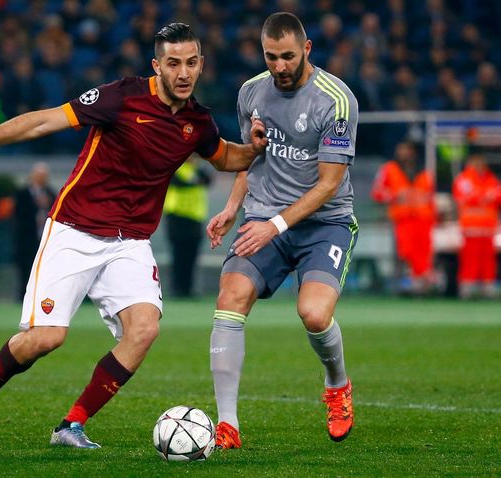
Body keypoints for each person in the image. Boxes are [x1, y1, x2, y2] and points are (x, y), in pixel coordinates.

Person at [0, 23, 266, 448]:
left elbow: (225, 158)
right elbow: (44, 122)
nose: (183, 73)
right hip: (74, 229)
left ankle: (71, 425)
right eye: (173, 63)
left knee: (144, 330)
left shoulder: (197, 122)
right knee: (46, 339)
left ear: (201, 64)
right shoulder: (120, 97)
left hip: (129, 242)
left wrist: (256, 148)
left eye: (191, 63)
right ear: (157, 66)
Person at [206, 12, 359, 448]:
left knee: (313, 313)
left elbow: (329, 184)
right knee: (229, 299)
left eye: (288, 56)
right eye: (271, 57)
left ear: (306, 50)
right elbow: (249, 158)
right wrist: (233, 208)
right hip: (263, 217)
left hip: (323, 223)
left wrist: (274, 225)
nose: (280, 66)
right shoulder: (251, 93)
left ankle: (337, 385)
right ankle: (227, 424)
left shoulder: (336, 101)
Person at [371, 141, 436, 294]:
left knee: (423, 254)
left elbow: (430, 198)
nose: (403, 154)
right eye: (401, 150)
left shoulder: (424, 172)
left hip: (423, 219)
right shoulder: (389, 169)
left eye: (406, 150)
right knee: (405, 253)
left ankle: (423, 286)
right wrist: (394, 196)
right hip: (403, 219)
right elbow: (377, 193)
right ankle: (404, 285)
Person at [452, 151, 501, 299]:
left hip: (487, 227)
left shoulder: (490, 179)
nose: (478, 166)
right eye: (475, 162)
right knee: (470, 258)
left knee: (488, 260)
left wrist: (483, 196)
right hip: (471, 227)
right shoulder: (464, 179)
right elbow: (465, 197)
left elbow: (497, 196)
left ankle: (488, 287)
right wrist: (484, 196)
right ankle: (467, 287)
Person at [163, 155, 212, 297]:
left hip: (194, 217)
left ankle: (188, 288)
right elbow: (179, 183)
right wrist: (196, 181)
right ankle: (177, 288)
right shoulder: (175, 167)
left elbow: (208, 180)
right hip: (177, 216)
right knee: (178, 254)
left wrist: (196, 177)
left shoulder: (197, 169)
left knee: (192, 255)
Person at [13, 162, 57, 300]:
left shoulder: (51, 193)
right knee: (26, 271)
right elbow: (18, 216)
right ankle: (24, 299)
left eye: (44, 176)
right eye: (39, 176)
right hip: (27, 240)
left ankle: (43, 298)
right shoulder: (22, 194)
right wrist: (35, 206)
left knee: (45, 271)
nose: (42, 179)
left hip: (46, 239)